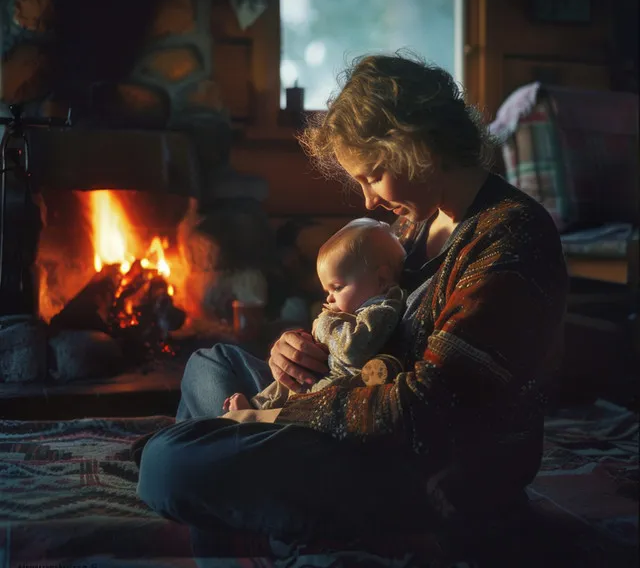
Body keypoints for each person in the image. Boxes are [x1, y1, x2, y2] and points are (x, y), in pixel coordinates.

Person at [136, 53, 568, 548]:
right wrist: (294, 355)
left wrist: (283, 413)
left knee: (167, 462)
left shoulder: (509, 236)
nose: (366, 201)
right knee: (211, 365)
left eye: (373, 174)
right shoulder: (416, 224)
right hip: (359, 415)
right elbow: (356, 325)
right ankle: (278, 522)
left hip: (431, 468)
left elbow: (429, 413)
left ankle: (293, 535)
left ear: (417, 146)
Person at [224, 217, 406, 412]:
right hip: (324, 371)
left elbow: (352, 349)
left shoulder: (381, 309)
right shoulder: (361, 307)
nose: (329, 299)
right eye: (327, 291)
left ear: (382, 278)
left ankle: (253, 421)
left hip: (338, 385)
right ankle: (255, 408)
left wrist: (324, 324)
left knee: (214, 363)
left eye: (337, 288)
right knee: (219, 357)